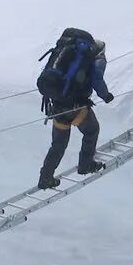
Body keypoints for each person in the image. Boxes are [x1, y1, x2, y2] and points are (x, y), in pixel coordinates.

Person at [35, 29, 114, 190]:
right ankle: (85, 165)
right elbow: (96, 79)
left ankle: (45, 178)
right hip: (76, 107)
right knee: (91, 131)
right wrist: (106, 96)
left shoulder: (66, 53)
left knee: (58, 145)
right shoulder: (94, 58)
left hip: (57, 105)